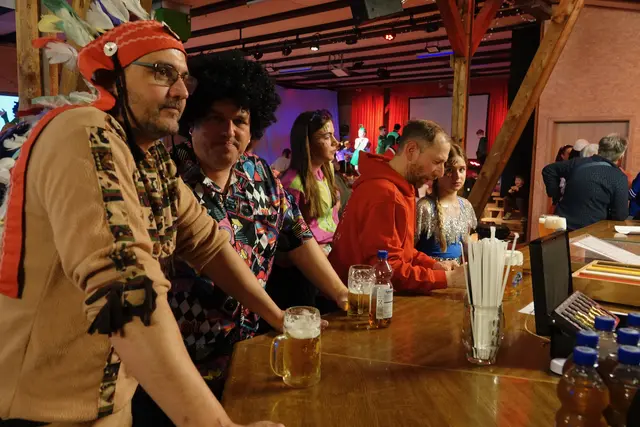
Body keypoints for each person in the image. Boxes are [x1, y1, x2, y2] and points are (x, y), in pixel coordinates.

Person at [0, 16, 283, 427]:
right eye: (162, 72)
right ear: (113, 79)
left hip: (113, 404)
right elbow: (126, 286)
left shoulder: (151, 158)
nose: (181, 91)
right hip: (43, 412)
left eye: (184, 78)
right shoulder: (85, 131)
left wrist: (280, 319)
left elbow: (208, 243)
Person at [129, 52, 348, 424]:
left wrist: (341, 293)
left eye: (240, 121)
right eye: (216, 118)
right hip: (177, 369)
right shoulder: (165, 177)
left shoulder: (259, 173)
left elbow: (296, 233)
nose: (228, 131)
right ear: (192, 121)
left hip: (248, 355)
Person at [329, 120, 467, 293]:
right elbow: (386, 270)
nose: (440, 173)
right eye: (436, 162)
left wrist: (435, 265)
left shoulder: (397, 186)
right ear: (411, 150)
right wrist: (448, 279)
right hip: (352, 301)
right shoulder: (385, 194)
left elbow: (403, 252)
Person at [271, 110, 342, 311]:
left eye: (333, 135)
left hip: (329, 260)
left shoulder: (325, 172)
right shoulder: (292, 183)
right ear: (307, 143)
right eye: (326, 136)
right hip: (304, 271)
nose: (335, 142)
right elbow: (288, 235)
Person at [543, 133, 629, 230]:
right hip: (591, 231)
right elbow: (620, 215)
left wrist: (556, 195)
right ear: (620, 156)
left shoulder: (577, 163)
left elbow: (548, 170)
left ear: (600, 149)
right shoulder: (619, 177)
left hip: (561, 226)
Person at [416, 144, 477, 262]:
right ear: (437, 172)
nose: (457, 176)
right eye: (449, 170)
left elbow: (465, 245)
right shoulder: (425, 207)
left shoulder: (466, 206)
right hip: (430, 271)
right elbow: (408, 250)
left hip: (457, 271)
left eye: (461, 169)